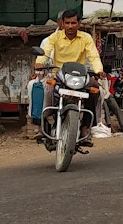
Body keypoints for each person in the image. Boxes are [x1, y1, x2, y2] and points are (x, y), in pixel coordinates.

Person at [35, 9, 104, 146]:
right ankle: (42, 122)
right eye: (67, 23)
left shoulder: (86, 38)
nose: (70, 26)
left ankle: (86, 127)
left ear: (79, 24)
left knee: (96, 90)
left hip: (80, 76)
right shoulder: (55, 37)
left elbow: (93, 56)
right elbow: (47, 50)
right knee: (43, 88)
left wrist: (99, 70)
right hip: (59, 75)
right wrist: (40, 62)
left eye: (73, 23)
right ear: (62, 23)